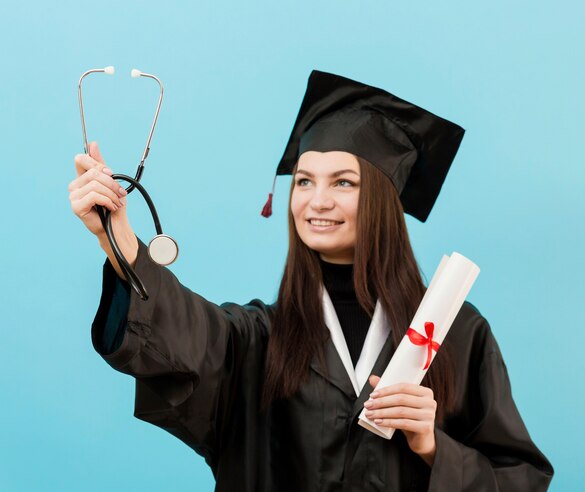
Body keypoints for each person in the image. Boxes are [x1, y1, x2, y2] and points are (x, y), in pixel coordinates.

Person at [69, 70, 553, 491]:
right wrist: (119, 240)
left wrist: (432, 448)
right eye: (304, 181)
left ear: (384, 201)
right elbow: (187, 333)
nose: (316, 201)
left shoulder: (453, 331)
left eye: (343, 181)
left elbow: (521, 479)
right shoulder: (261, 337)